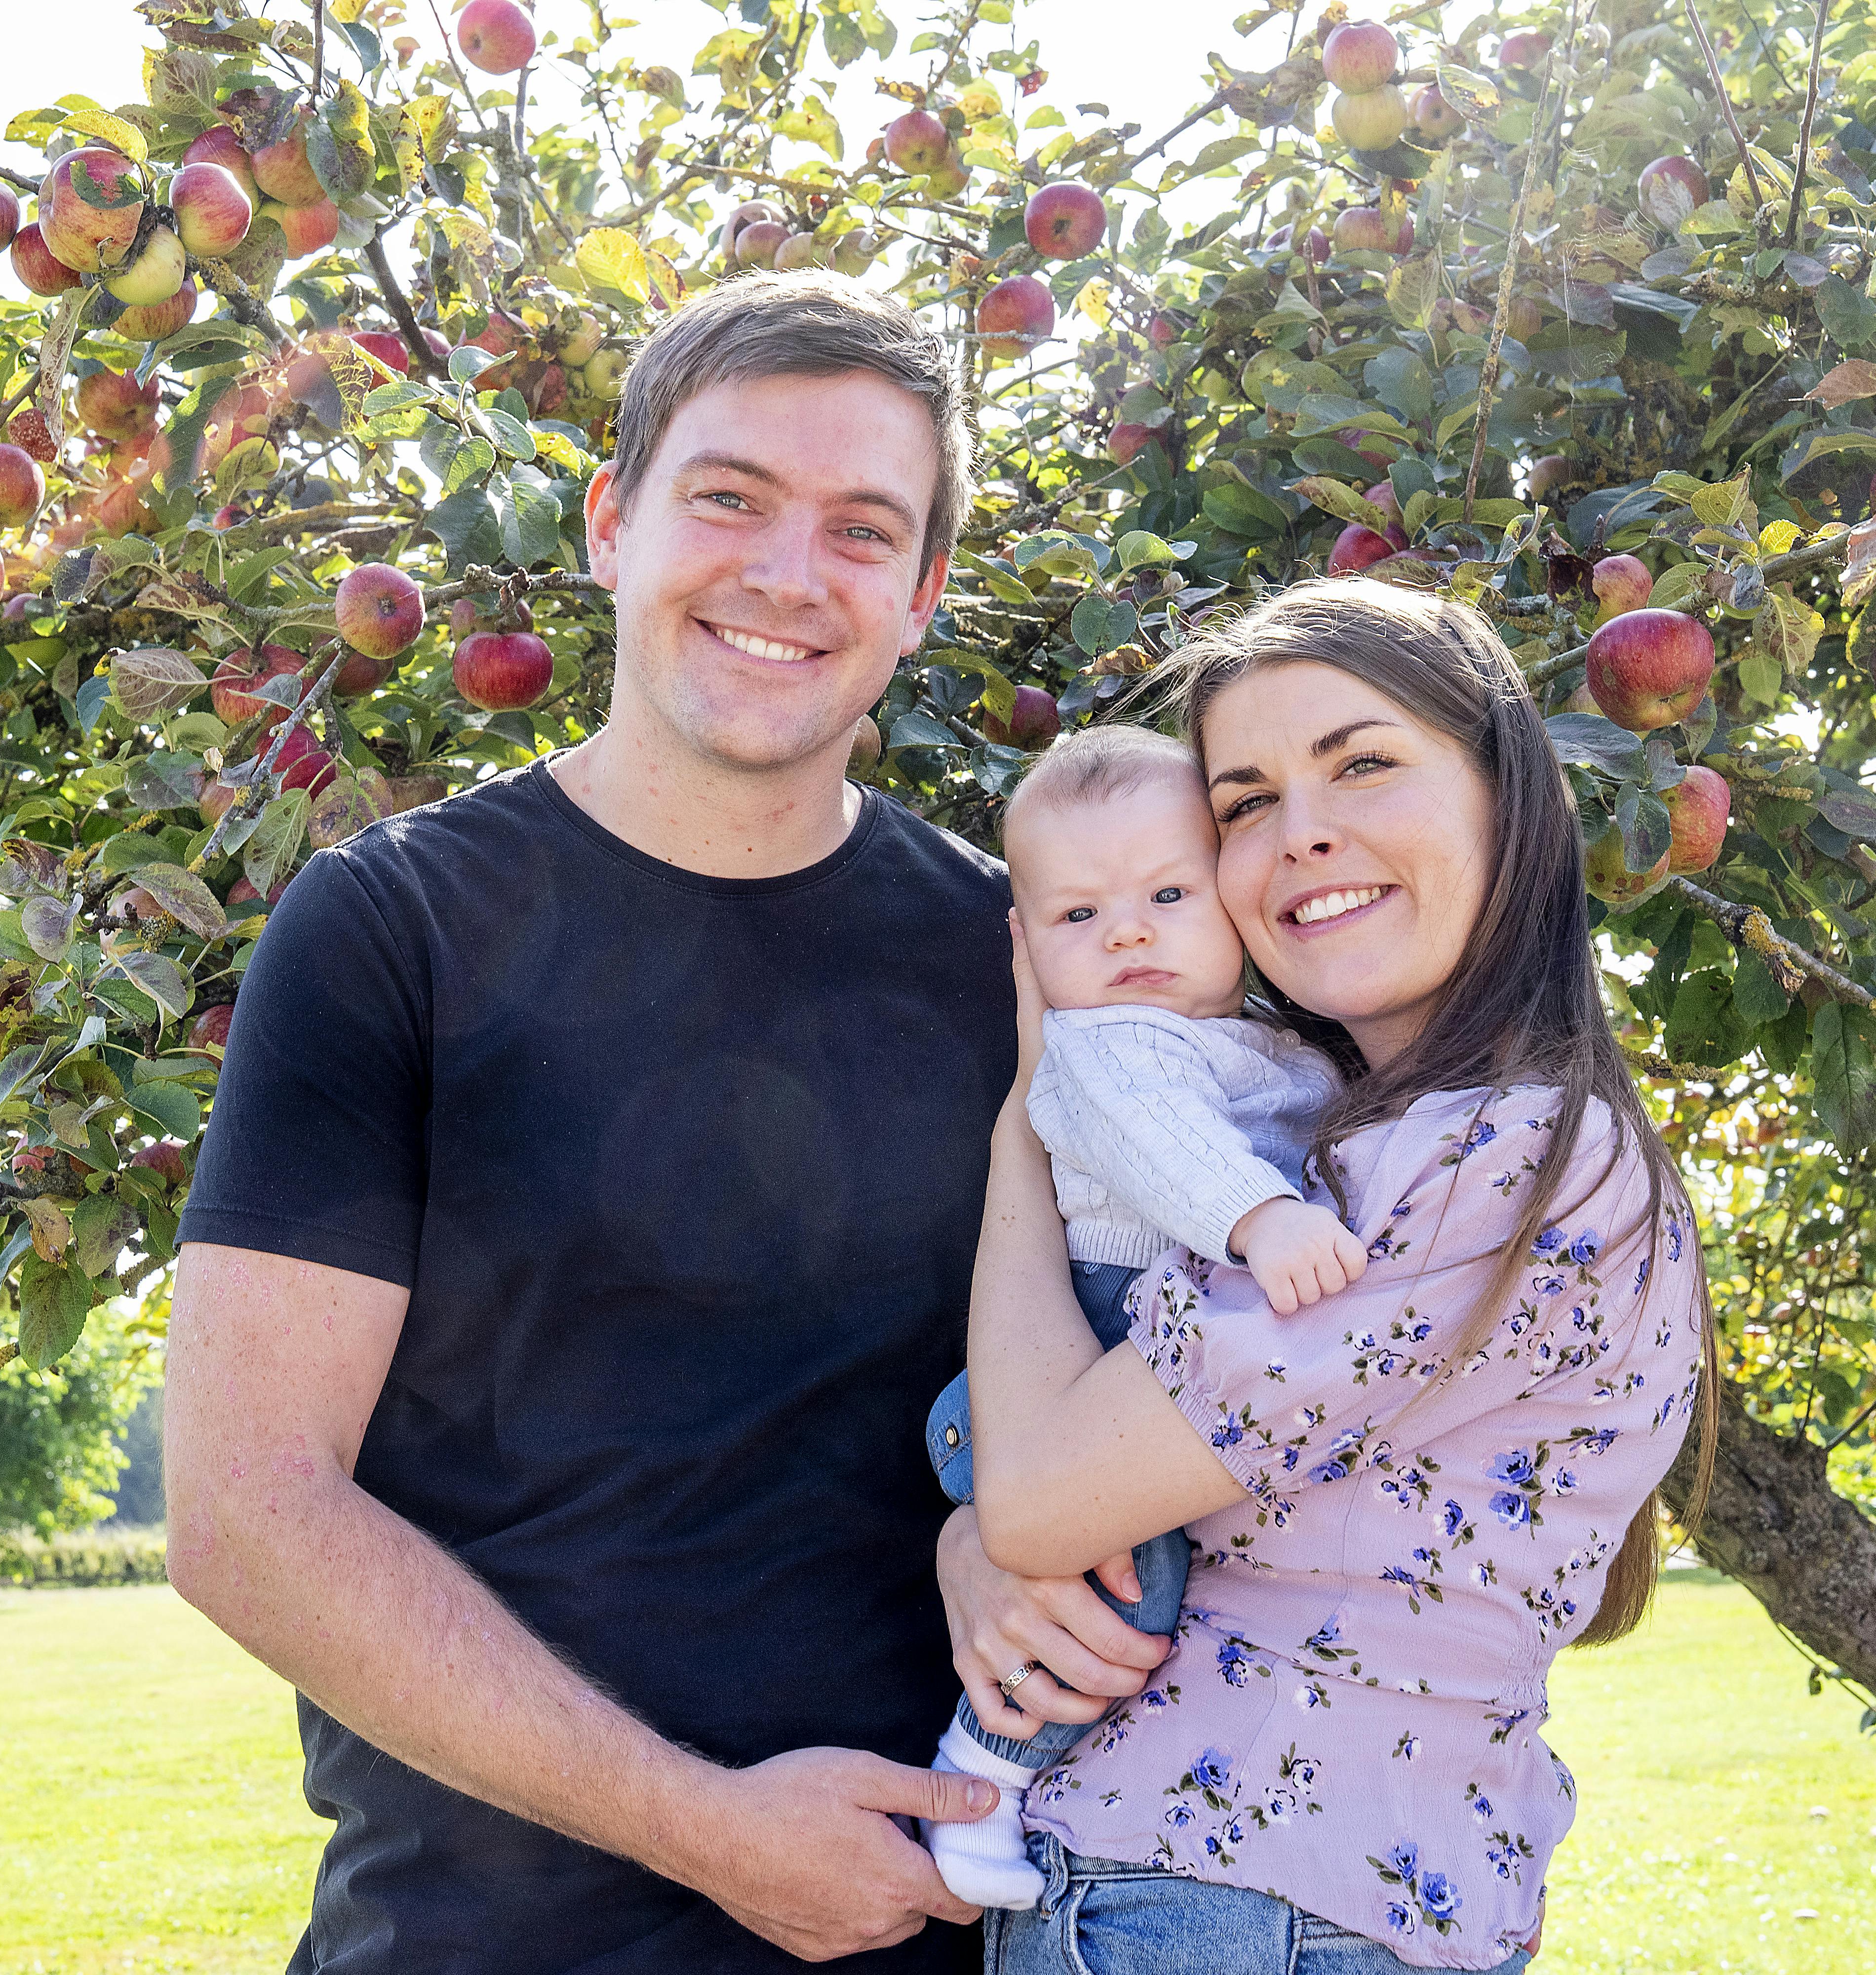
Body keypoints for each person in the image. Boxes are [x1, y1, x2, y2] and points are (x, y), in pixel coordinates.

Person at [160, 270, 1136, 1974]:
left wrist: (1006, 1532)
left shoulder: (1024, 966)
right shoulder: (389, 934)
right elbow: (248, 1513)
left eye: (858, 529)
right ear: (612, 524)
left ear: (924, 594)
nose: (784, 572)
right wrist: (710, 1831)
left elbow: (1143, 1377)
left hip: (950, 1935)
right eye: (731, 499)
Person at [961, 579, 1719, 1972]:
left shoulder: (1498, 1158)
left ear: (1510, 801)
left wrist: (1037, 1110)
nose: (1300, 830)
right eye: (1242, 801)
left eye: (1363, 763)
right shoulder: (1351, 1143)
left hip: (1228, 1909)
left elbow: (1038, 1494)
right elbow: (1079, 1509)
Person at [914, 723, 1359, 1909]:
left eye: (1168, 892)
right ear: (1025, 942)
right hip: (1090, 1345)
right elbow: (1159, 1149)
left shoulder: (1268, 1040)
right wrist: (1264, 1218)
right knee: (1131, 1576)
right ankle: (987, 1768)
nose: (1126, 932)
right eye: (1076, 916)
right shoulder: (1104, 1044)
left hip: (1146, 1351)